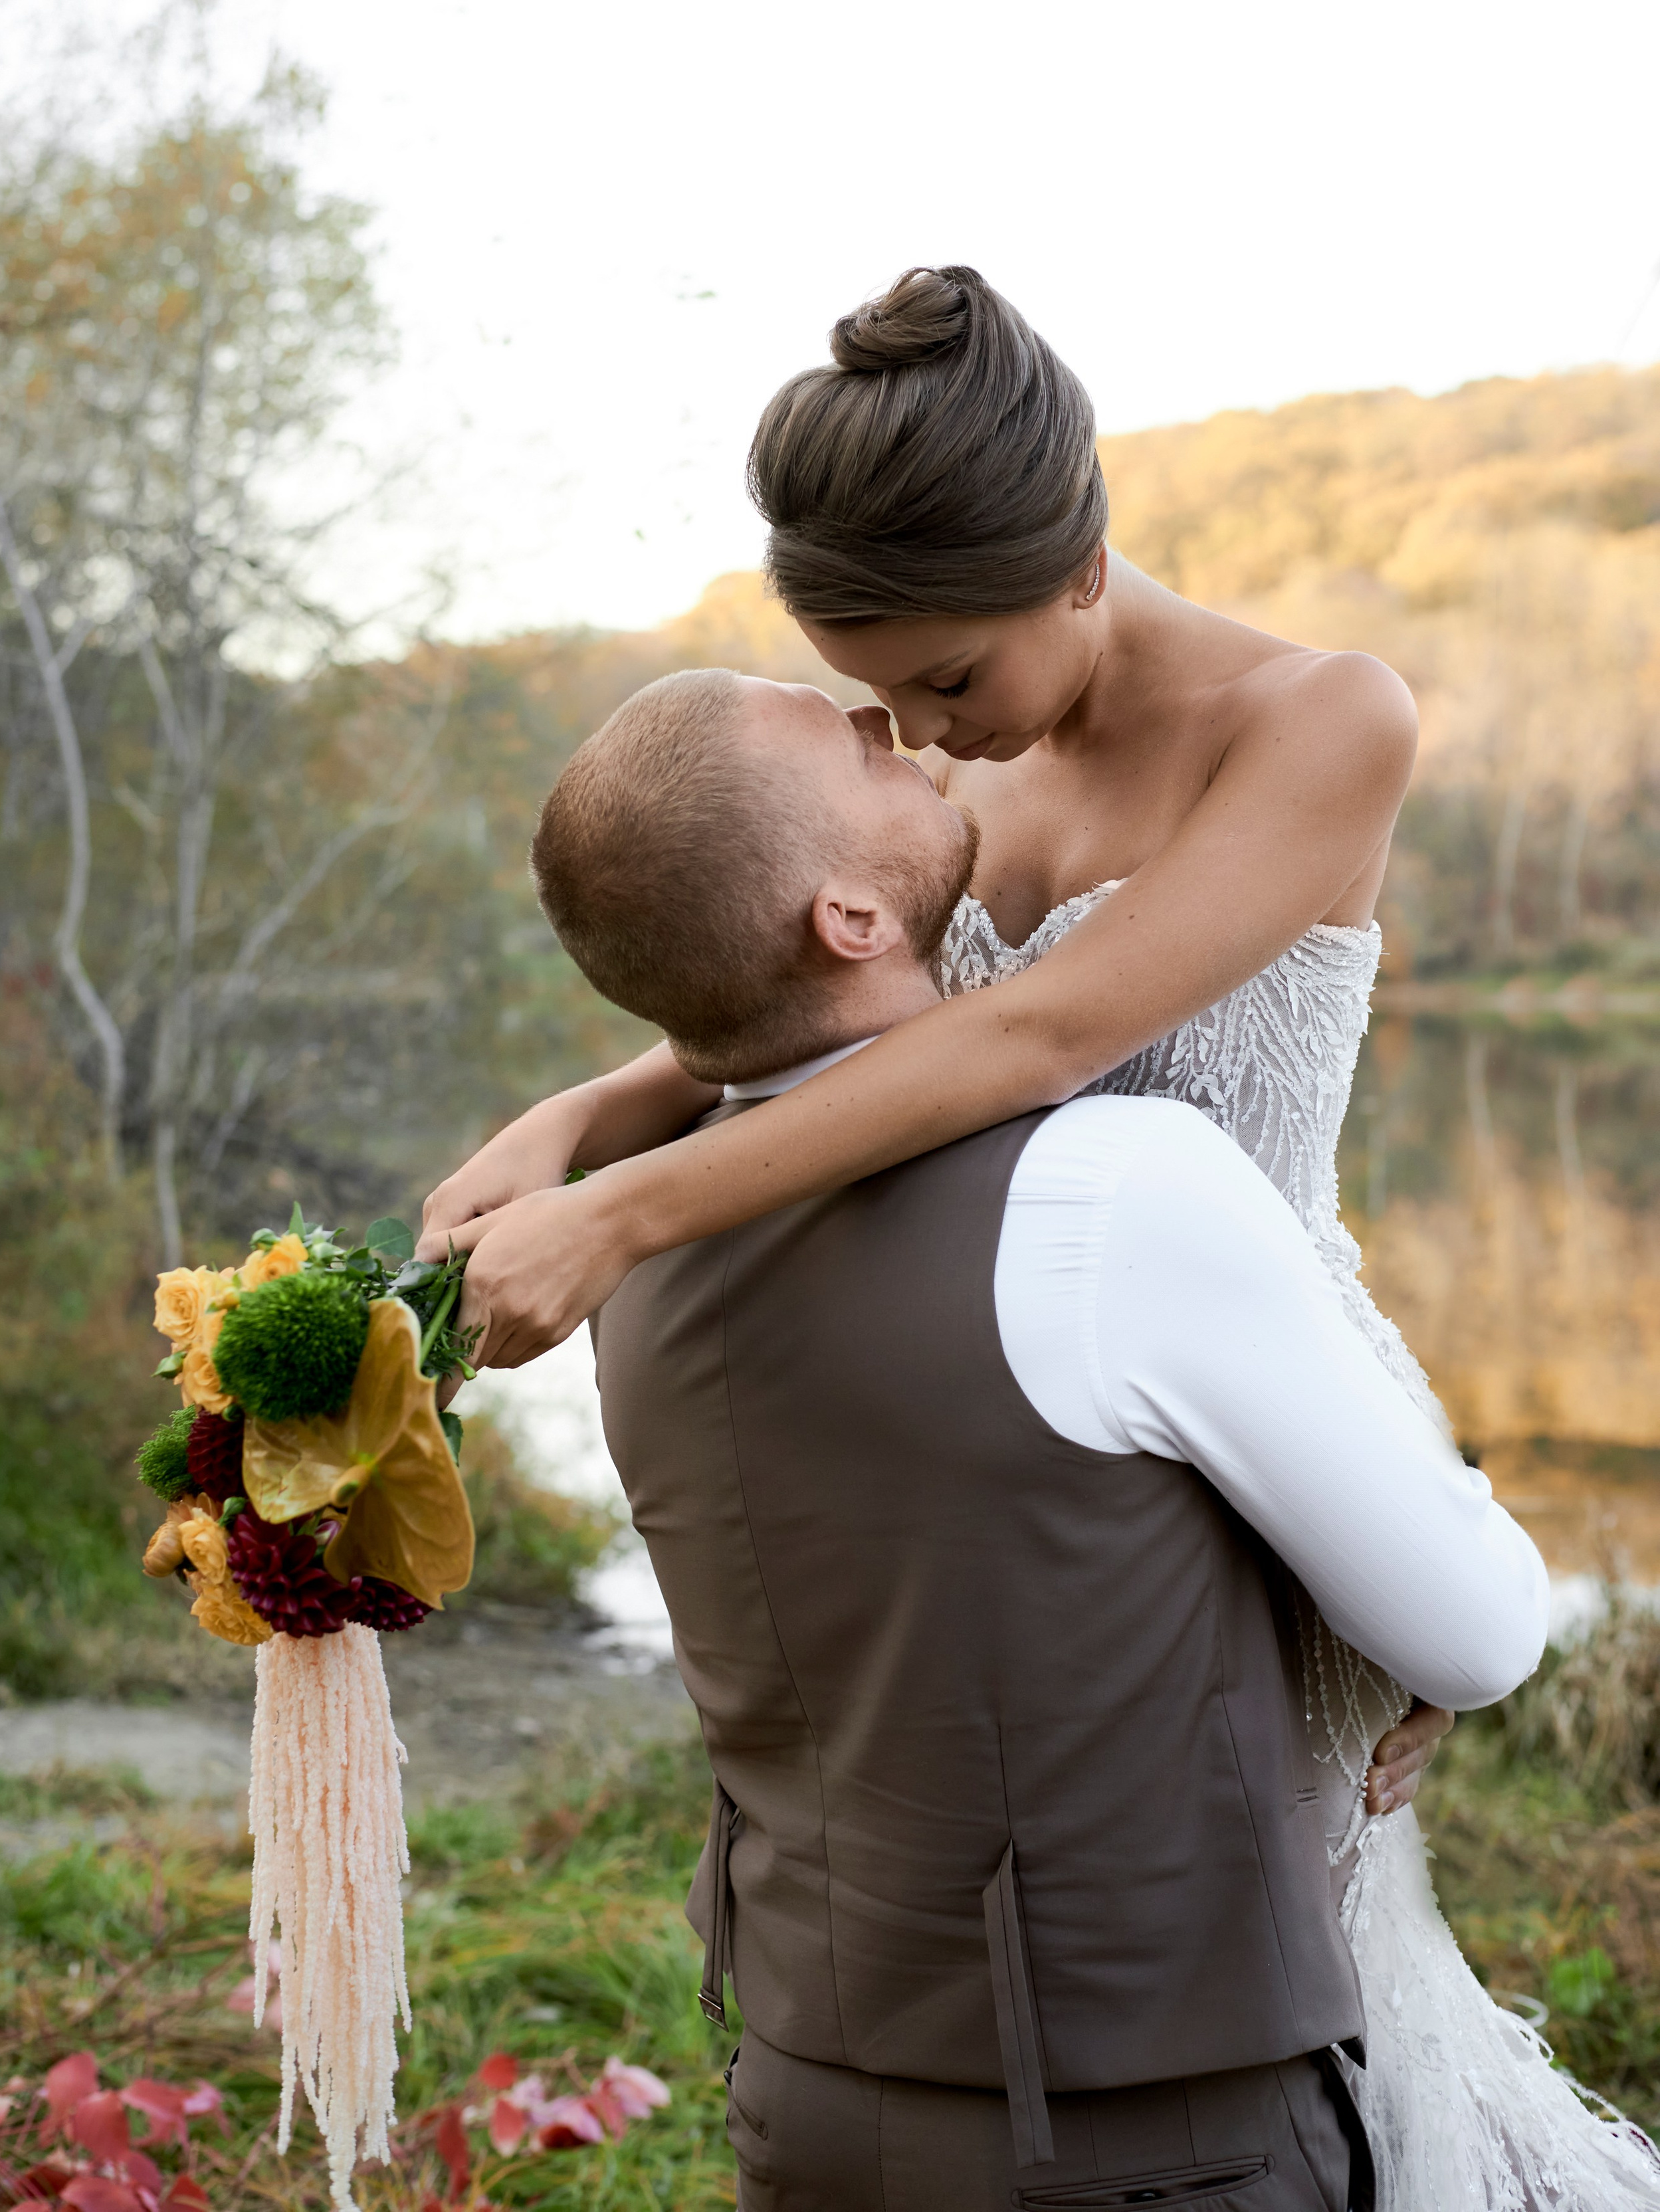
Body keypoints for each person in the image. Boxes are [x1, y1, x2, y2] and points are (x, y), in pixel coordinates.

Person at [428, 270, 1660, 2205]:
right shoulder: (981, 757)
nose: (928, 741)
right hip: (1070, 1423)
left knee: (1309, 1954)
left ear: (1082, 564)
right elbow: (848, 1023)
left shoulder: (1323, 720)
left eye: (947, 684)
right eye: (891, 702)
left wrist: (630, 1204)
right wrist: (586, 1112)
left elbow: (1040, 1036)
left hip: (1268, 1401)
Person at [526, 663, 1550, 2211]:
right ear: (848, 922)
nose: (886, 722)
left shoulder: (636, 1259)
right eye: (848, 743)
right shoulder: (1119, 1188)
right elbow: (1472, 1633)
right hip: (1141, 2143)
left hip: (800, 2106)